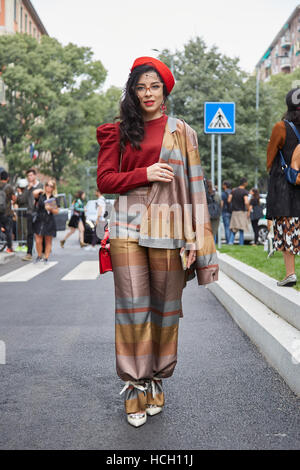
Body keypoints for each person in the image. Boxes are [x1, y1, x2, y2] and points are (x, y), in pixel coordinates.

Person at [96, 56, 218, 428]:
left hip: (171, 225)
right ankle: (134, 385)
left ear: (164, 92)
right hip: (127, 226)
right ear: (132, 92)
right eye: (140, 87)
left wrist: (197, 236)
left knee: (165, 311)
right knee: (133, 309)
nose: (147, 93)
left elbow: (195, 186)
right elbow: (105, 181)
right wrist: (144, 173)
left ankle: (156, 377)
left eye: (154, 86)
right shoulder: (118, 132)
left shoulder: (182, 131)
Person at [266, 88, 300, 287]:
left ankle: (290, 274)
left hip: (286, 187)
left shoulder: (281, 127)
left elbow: (270, 159)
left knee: (288, 227)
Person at [32, 179, 59, 264]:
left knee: (48, 240)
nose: (48, 187)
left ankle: (46, 258)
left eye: (51, 186)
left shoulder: (54, 198)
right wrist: (42, 189)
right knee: (38, 241)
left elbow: (57, 211)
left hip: (49, 220)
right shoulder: (41, 195)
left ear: (53, 188)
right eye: (47, 185)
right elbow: (34, 193)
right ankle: (39, 255)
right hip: (39, 220)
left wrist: (50, 208)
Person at [21, 168, 43, 261]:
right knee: (29, 233)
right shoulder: (27, 187)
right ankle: (29, 253)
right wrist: (28, 189)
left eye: (31, 175)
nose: (30, 177)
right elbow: (22, 200)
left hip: (39, 213)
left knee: (41, 233)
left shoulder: (40, 185)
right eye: (28, 176)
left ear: (35, 175)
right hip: (30, 212)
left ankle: (41, 252)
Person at [228, 177, 250, 245]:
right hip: (241, 212)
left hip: (234, 212)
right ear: (245, 183)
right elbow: (246, 202)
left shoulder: (234, 190)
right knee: (241, 229)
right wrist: (248, 209)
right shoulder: (244, 192)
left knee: (234, 229)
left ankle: (230, 242)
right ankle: (241, 244)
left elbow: (229, 200)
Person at [0, 170, 15, 253]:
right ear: (8, 178)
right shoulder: (9, 187)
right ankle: (9, 247)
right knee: (8, 230)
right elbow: (14, 198)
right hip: (7, 212)